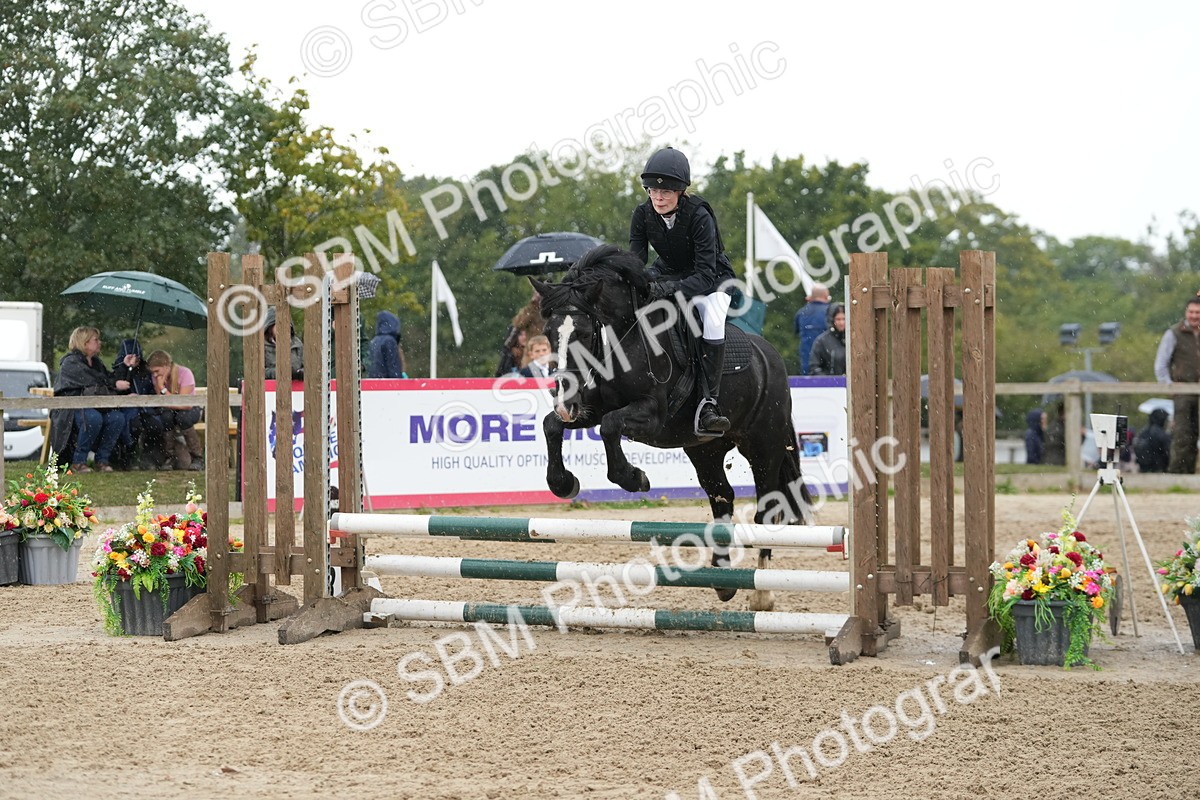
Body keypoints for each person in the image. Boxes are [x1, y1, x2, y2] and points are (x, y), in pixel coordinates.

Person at [630, 146, 735, 435]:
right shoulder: (642, 214)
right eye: (652, 191)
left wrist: (667, 288)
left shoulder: (700, 215)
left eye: (665, 193)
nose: (658, 198)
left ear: (679, 192)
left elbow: (703, 274)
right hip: (669, 272)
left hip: (712, 278)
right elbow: (636, 261)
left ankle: (709, 404)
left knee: (712, 319)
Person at [52, 326, 131, 472]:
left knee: (117, 418)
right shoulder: (71, 362)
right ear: (85, 342)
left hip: (96, 406)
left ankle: (102, 460)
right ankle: (78, 461)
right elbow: (93, 383)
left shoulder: (96, 363)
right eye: (96, 340)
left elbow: (106, 379)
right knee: (93, 418)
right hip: (71, 409)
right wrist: (114, 385)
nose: (99, 343)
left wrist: (124, 366)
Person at [1155, 295, 1200, 473]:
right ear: (1186, 312)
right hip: (1183, 390)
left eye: (1198, 312)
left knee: (1195, 433)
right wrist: (1169, 386)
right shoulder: (1174, 333)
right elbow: (1161, 364)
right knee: (1183, 435)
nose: (1194, 316)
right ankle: (1179, 474)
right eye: (1191, 312)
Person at [146, 350, 203, 471]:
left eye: (157, 371)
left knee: (183, 417)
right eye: (153, 372)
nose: (155, 375)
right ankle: (169, 456)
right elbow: (162, 402)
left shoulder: (185, 373)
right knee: (166, 417)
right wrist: (167, 397)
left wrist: (162, 389)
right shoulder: (157, 377)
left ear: (167, 366)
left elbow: (185, 404)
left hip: (191, 408)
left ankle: (197, 457)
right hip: (171, 409)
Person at [110, 338, 161, 469]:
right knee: (133, 426)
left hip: (146, 410)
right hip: (127, 411)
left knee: (155, 425)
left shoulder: (145, 373)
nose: (135, 361)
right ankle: (128, 458)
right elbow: (113, 391)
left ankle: (149, 459)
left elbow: (151, 392)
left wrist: (144, 399)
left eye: (137, 358)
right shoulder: (118, 371)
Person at [495, 292, 544, 377]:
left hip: (544, 353)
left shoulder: (552, 311)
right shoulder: (529, 311)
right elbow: (517, 323)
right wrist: (533, 305)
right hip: (529, 355)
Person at [794, 284, 831, 375]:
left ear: (811, 297)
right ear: (826, 296)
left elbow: (796, 330)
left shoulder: (801, 312)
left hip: (807, 360)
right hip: (828, 359)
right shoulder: (830, 312)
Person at [264, 307, 304, 380]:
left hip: (296, 389)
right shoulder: (261, 346)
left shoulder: (297, 344)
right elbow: (257, 372)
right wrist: (278, 372)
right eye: (279, 325)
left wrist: (300, 373)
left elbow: (308, 367)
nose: (283, 328)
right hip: (270, 389)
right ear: (270, 327)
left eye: (286, 324)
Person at [807, 303, 846, 376]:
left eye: (844, 319)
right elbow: (814, 367)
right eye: (838, 319)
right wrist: (828, 380)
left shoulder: (854, 339)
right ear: (832, 320)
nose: (841, 323)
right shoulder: (822, 341)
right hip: (830, 385)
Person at [367, 311, 408, 378]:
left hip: (373, 383)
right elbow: (393, 367)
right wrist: (398, 382)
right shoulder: (390, 341)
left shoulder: (373, 341)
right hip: (387, 384)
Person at [1134, 408, 1172, 473]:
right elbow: (1166, 451)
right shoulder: (1160, 433)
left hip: (1143, 467)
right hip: (1157, 468)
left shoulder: (1144, 431)